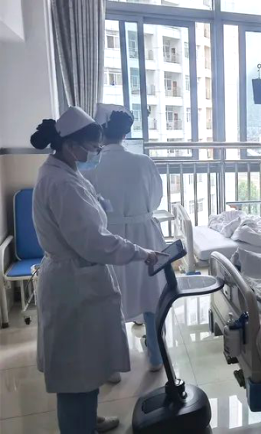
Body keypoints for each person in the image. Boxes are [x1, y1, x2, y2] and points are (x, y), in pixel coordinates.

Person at [30, 106, 163, 434]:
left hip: (79, 278)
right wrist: (141, 252)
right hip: (73, 284)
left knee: (85, 366)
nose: (95, 152)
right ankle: (79, 426)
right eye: (91, 147)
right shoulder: (62, 183)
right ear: (70, 144)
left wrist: (102, 205)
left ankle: (87, 420)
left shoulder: (65, 171)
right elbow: (95, 242)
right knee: (76, 371)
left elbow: (86, 214)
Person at [83, 103, 166, 374]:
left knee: (111, 297)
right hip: (144, 233)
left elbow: (88, 205)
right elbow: (156, 198)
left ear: (101, 134)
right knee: (149, 294)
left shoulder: (90, 167)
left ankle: (112, 368)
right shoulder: (143, 162)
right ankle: (156, 355)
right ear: (126, 134)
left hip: (109, 237)